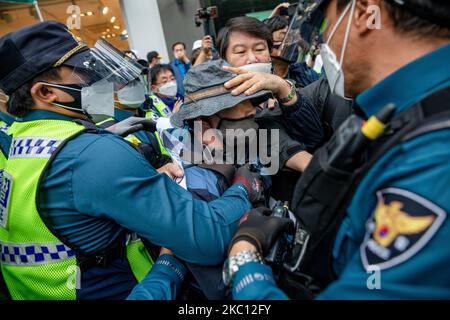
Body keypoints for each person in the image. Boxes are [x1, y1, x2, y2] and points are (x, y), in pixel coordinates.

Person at [0, 21, 264, 300]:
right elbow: (210, 238)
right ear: (45, 92)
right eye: (82, 73)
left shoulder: (23, 145)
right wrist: (243, 186)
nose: (97, 80)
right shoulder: (90, 153)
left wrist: (144, 185)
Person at [223, 0, 450, 299]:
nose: (322, 43)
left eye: (323, 25)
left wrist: (244, 260)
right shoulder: (399, 109)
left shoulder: (432, 161)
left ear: (366, 12)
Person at [216, 16, 322, 173]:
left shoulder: (294, 85)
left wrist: (283, 88)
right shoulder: (218, 105)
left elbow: (315, 137)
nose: (252, 58)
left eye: (259, 49)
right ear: (223, 59)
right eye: (240, 52)